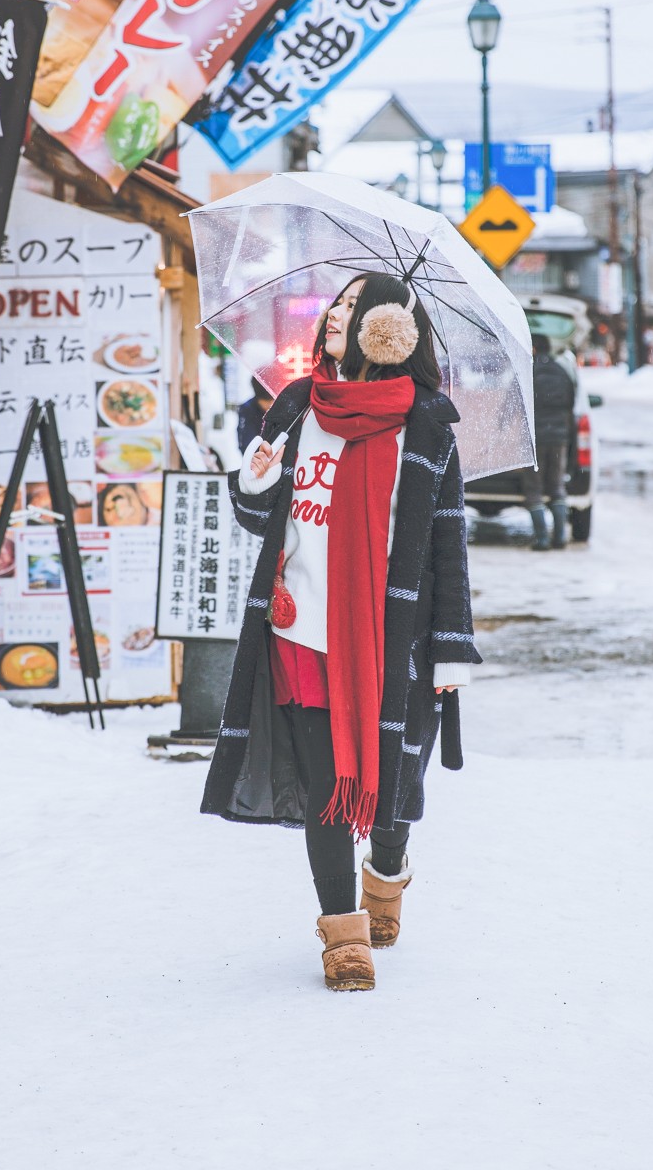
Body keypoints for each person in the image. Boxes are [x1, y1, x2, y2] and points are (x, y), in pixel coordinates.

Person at [202, 272, 479, 992]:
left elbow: (446, 540)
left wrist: (452, 644)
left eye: (356, 306)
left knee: (391, 790)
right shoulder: (296, 406)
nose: (336, 314)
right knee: (327, 786)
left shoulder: (425, 422)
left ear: (390, 328)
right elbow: (257, 517)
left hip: (393, 641)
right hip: (298, 630)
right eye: (337, 302)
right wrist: (255, 480)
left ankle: (386, 871)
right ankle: (342, 936)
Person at [522, 332, 577, 550]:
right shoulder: (562, 372)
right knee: (556, 485)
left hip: (535, 441)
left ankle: (542, 539)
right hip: (559, 439)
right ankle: (560, 537)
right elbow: (572, 404)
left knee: (534, 488)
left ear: (534, 349)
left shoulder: (530, 373)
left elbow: (515, 404)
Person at [235, 380, 274, 453]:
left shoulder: (281, 406)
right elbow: (245, 443)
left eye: (272, 401)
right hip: (257, 458)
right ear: (258, 399)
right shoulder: (247, 409)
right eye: (267, 402)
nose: (270, 405)